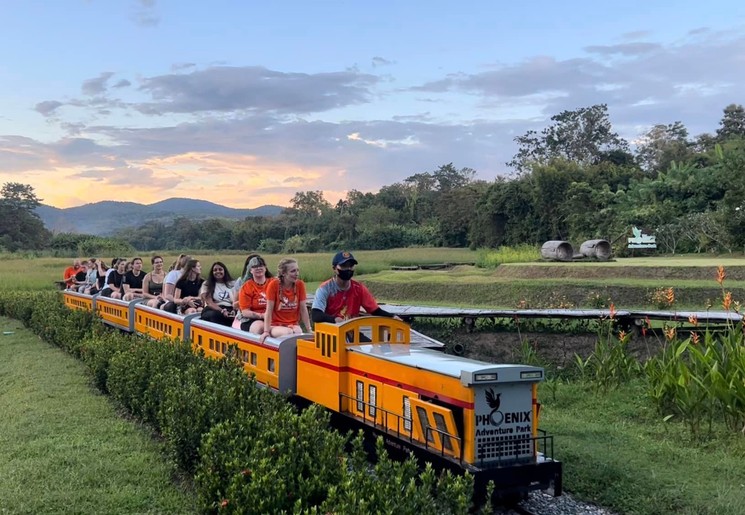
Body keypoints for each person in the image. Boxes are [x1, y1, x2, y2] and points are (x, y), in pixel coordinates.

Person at [311, 251, 401, 324]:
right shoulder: (325, 289)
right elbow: (316, 315)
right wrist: (335, 319)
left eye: (351, 266)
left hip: (352, 331)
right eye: (344, 266)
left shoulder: (359, 288)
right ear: (334, 268)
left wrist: (392, 317)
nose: (348, 269)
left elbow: (375, 310)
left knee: (371, 345)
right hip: (330, 333)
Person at [261, 258, 310, 341]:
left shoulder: (300, 284)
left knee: (298, 332)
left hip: (293, 324)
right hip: (276, 325)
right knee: (288, 333)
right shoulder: (274, 285)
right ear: (283, 273)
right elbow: (268, 310)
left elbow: (303, 309)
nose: (297, 274)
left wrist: (309, 329)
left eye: (297, 270)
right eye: (293, 271)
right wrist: (266, 331)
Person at [236, 255, 273, 333]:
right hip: (251, 319)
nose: (258, 268)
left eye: (261, 266)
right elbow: (245, 312)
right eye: (255, 266)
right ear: (250, 270)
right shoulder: (246, 287)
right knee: (260, 327)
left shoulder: (274, 283)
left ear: (265, 268)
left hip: (273, 317)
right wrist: (262, 315)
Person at [199, 261, 236, 326]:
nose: (218, 272)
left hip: (230, 308)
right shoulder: (206, 284)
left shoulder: (232, 284)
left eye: (220, 269)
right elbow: (209, 303)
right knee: (215, 316)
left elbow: (236, 300)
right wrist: (222, 311)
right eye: (215, 270)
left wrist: (234, 310)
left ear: (224, 271)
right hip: (213, 308)